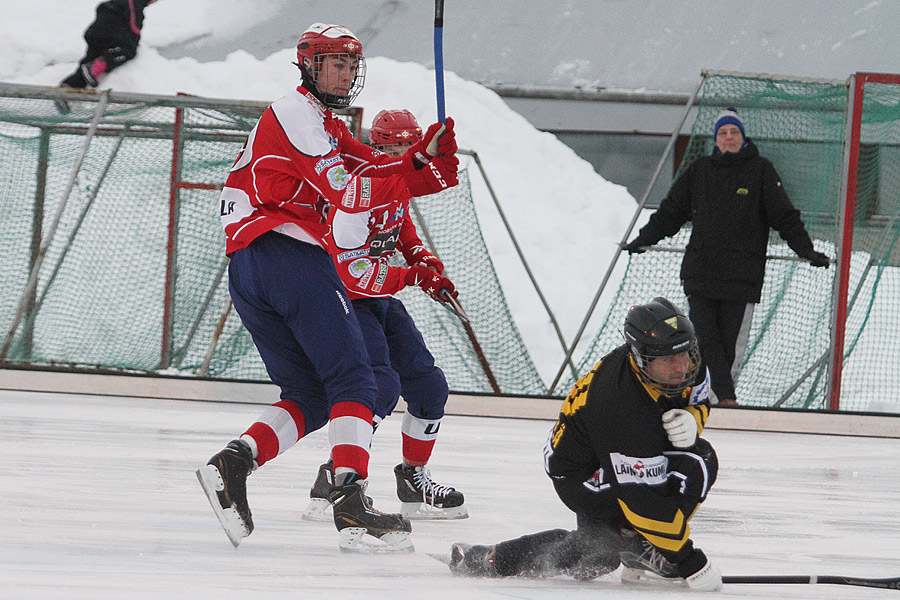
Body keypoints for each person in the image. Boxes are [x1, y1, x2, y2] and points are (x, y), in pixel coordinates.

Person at [195, 23, 460, 553]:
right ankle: (351, 503)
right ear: (308, 65)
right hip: (286, 258)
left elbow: (378, 167)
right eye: (334, 63)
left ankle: (233, 464)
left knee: (311, 394)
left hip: (258, 265)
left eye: (350, 65)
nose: (344, 74)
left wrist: (431, 162)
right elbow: (349, 188)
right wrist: (413, 165)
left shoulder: (323, 122)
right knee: (358, 382)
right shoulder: (295, 113)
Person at [448, 298, 722, 592]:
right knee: (602, 548)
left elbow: (699, 396)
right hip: (578, 475)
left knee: (698, 459)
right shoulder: (618, 404)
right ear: (641, 358)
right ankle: (492, 559)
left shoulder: (682, 355)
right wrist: (688, 560)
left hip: (615, 451)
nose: (681, 367)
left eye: (685, 355)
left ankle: (640, 545)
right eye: (669, 361)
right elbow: (641, 501)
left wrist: (694, 418)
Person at [301, 109, 466, 523]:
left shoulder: (399, 187)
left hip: (380, 297)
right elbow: (354, 274)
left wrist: (421, 257)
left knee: (429, 385)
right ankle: (339, 479)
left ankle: (413, 479)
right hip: (347, 300)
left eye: (408, 146)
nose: (402, 154)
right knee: (379, 387)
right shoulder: (354, 199)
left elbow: (399, 224)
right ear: (376, 150)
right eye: (391, 148)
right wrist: (413, 276)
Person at [623, 108, 830, 406]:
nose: (729, 137)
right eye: (723, 133)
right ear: (716, 140)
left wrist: (806, 250)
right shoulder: (700, 171)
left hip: (741, 278)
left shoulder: (760, 170)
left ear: (743, 137)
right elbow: (671, 212)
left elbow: (784, 216)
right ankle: (721, 398)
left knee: (730, 346)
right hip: (701, 274)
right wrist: (643, 240)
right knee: (702, 340)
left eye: (734, 132)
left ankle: (721, 396)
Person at [60, 0, 158, 90]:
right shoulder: (135, 3)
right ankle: (98, 65)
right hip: (108, 33)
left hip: (96, 33)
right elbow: (134, 28)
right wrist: (134, 44)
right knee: (128, 51)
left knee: (91, 58)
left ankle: (69, 86)